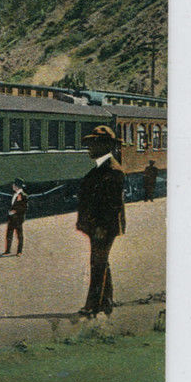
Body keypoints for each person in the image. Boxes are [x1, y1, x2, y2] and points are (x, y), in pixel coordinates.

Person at [76, 125, 126, 318]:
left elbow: (112, 206)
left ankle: (93, 306)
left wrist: (101, 228)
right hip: (98, 227)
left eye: (92, 144)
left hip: (103, 228)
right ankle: (106, 302)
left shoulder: (113, 170)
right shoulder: (104, 168)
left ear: (105, 146)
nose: (89, 148)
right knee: (101, 263)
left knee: (97, 263)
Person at [4, 178, 28, 256]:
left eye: (14, 185)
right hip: (12, 218)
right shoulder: (14, 194)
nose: (12, 186)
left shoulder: (23, 195)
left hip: (18, 218)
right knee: (9, 234)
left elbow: (24, 208)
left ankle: (19, 251)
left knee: (19, 235)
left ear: (17, 186)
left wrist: (15, 211)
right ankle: (7, 250)